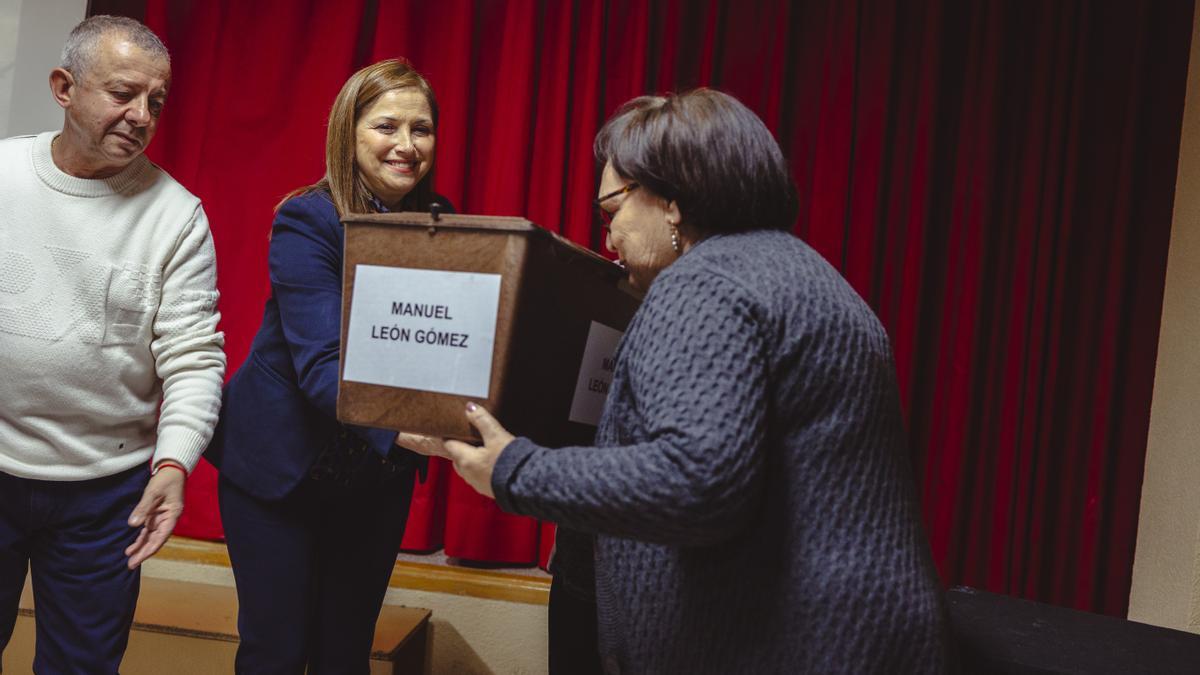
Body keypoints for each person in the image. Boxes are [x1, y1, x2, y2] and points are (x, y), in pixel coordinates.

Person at [431, 89, 952, 673]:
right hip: (860, 641)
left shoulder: (703, 285)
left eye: (612, 212)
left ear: (671, 201)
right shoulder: (812, 276)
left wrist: (513, 469)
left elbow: (696, 482)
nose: (609, 240)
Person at [205, 58, 450, 673]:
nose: (406, 145)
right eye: (386, 126)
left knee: (344, 655)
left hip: (373, 478)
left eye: (421, 130)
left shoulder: (447, 223)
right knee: (277, 653)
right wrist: (402, 429)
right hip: (277, 469)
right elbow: (321, 365)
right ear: (349, 131)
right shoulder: (308, 218)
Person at [0, 15, 226, 673]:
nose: (141, 115)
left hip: (105, 492)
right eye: (123, 93)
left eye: (155, 101)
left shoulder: (175, 215)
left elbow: (193, 356)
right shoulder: (4, 173)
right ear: (64, 87)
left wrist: (175, 462)